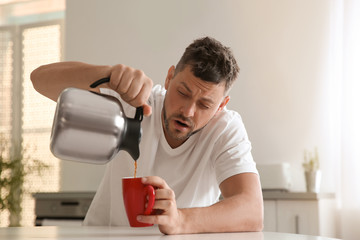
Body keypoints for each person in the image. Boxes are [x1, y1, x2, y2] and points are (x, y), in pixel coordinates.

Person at [31, 36, 263, 235]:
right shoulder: (136, 100)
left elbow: (252, 211)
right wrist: (107, 74)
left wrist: (179, 220)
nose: (188, 111)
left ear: (222, 105)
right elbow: (40, 80)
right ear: (170, 77)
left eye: (204, 104)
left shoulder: (225, 130)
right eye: (183, 92)